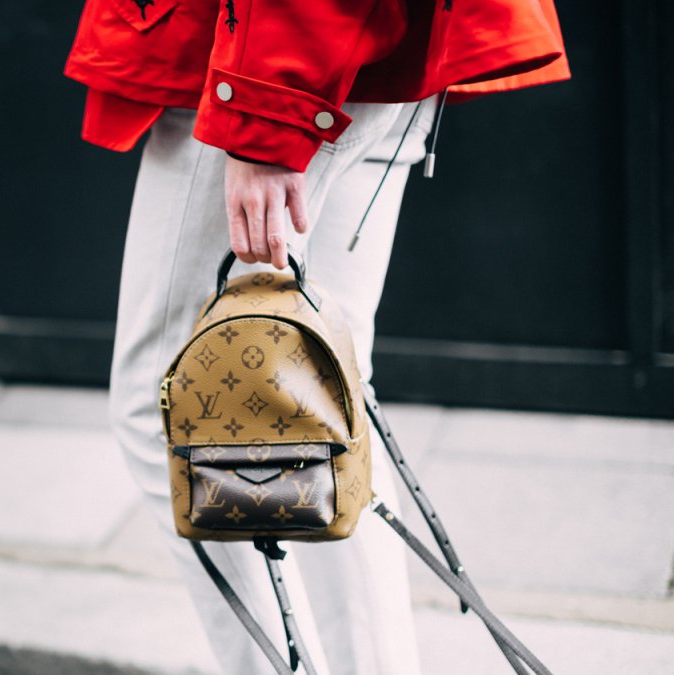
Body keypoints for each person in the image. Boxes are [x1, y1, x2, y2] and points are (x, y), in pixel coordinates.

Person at [64, 2, 570, 674]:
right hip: (363, 54)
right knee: (329, 396)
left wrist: (266, 120)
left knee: (167, 405)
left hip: (268, 57)